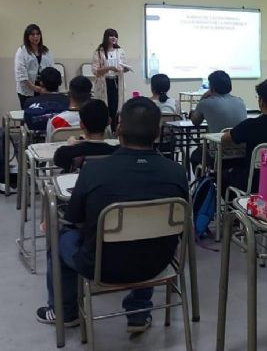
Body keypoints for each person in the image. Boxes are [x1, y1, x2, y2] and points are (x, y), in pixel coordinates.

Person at [37, 97, 189, 333]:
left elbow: (74, 218)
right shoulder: (177, 173)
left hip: (102, 267)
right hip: (159, 263)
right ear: (158, 133)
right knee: (147, 234)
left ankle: (65, 313)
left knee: (60, 237)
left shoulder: (94, 171)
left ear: (118, 129)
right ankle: (139, 313)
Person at [190, 70, 247, 168]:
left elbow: (195, 122)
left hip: (218, 154)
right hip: (242, 154)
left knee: (195, 155)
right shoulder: (240, 101)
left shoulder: (205, 102)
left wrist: (202, 98)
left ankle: (205, 177)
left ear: (212, 88)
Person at [53, 100, 117, 172]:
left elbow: (58, 159)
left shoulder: (66, 152)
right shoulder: (117, 151)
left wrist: (72, 146)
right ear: (109, 121)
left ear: (81, 124)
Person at [91, 28, 130, 131]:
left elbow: (124, 67)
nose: (114, 38)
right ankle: (104, 130)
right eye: (111, 36)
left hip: (117, 82)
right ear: (106, 37)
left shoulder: (120, 51)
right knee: (104, 107)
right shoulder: (99, 52)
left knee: (116, 107)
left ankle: (114, 130)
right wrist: (109, 68)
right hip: (104, 82)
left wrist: (125, 68)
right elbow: (95, 71)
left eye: (116, 36)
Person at [15, 23, 55, 108]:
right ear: (27, 36)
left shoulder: (46, 51)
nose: (36, 36)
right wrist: (34, 87)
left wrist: (46, 87)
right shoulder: (22, 51)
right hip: (27, 89)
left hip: (43, 89)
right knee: (29, 112)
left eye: (38, 34)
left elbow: (51, 69)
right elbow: (21, 73)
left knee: (43, 112)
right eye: (33, 34)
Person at [46, 76, 93, 142]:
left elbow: (48, 145)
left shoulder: (55, 121)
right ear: (90, 96)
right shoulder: (98, 120)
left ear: (69, 94)